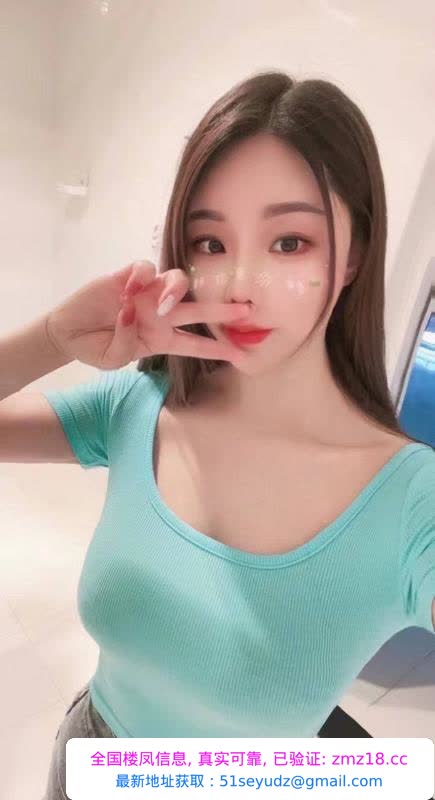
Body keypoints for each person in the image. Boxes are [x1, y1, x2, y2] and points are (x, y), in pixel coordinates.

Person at [1, 71, 434, 800]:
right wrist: (51, 337)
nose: (238, 282)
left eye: (289, 242)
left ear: (354, 254)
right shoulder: (141, 405)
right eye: (209, 241)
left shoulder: (411, 503)